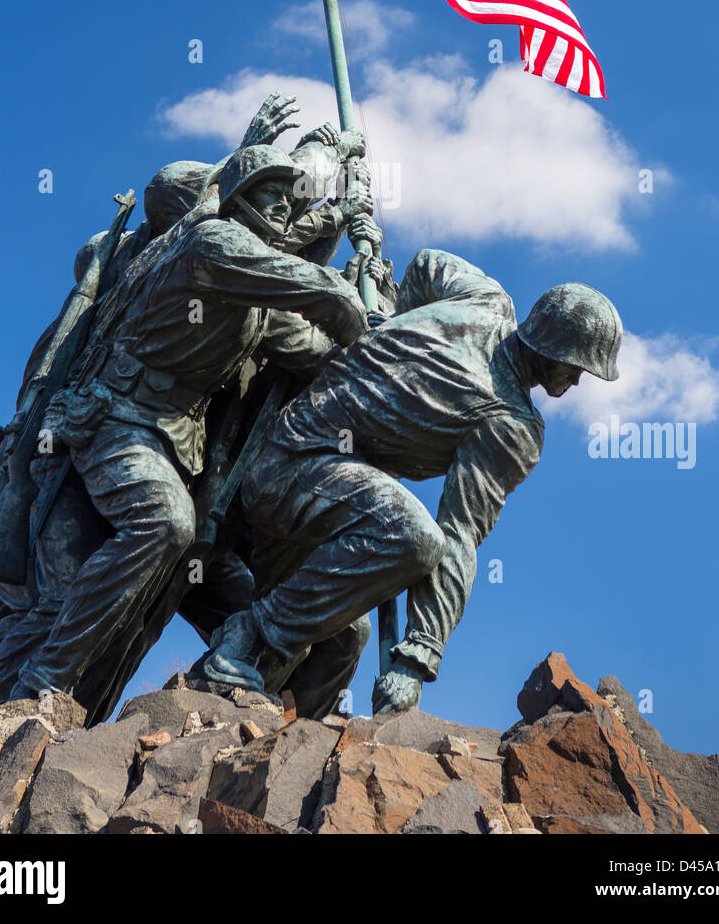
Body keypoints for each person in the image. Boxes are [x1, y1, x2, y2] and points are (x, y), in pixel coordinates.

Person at [6, 137, 369, 704]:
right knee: (164, 522)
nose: (281, 205)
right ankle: (43, 680)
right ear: (240, 195)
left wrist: (377, 314)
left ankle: (249, 700)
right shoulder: (212, 240)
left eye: (287, 197)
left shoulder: (254, 296)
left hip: (180, 446)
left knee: (316, 616)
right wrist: (346, 282)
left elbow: (317, 349)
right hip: (120, 418)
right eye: (269, 192)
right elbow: (323, 295)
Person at [201, 251, 622, 715]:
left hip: (315, 492)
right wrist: (418, 656)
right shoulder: (511, 425)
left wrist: (399, 319)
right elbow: (457, 534)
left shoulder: (485, 297)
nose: (578, 382)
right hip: (294, 465)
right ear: (549, 348)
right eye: (576, 367)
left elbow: (424, 265)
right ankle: (250, 634)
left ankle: (275, 731)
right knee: (414, 539)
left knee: (346, 638)